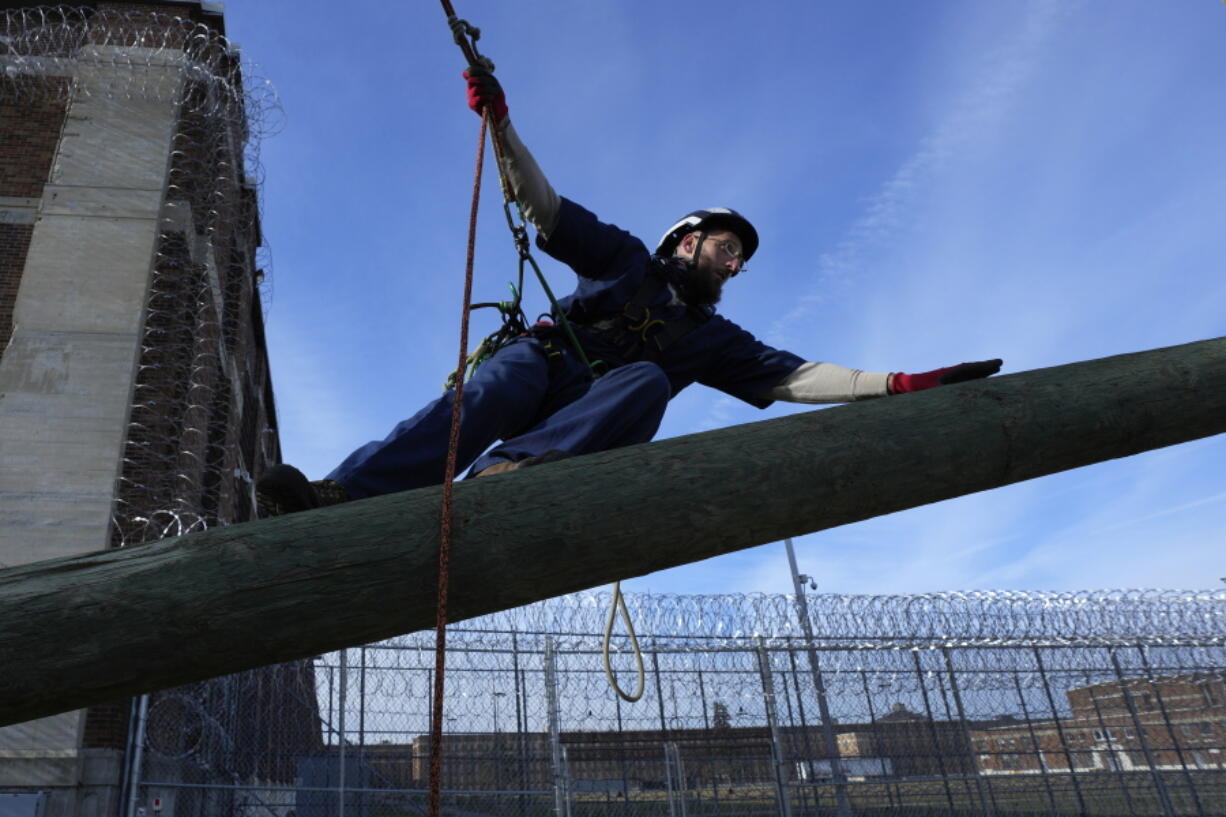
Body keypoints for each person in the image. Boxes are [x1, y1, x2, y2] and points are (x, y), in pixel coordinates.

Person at [255, 69, 1002, 516]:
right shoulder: (621, 261)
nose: (733, 263)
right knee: (512, 369)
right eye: (725, 247)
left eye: (740, 258)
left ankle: (502, 480)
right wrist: (502, 125)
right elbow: (541, 205)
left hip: (581, 431)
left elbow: (800, 378)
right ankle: (342, 494)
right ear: (686, 240)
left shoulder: (716, 340)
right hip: (538, 380)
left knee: (645, 377)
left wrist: (902, 384)